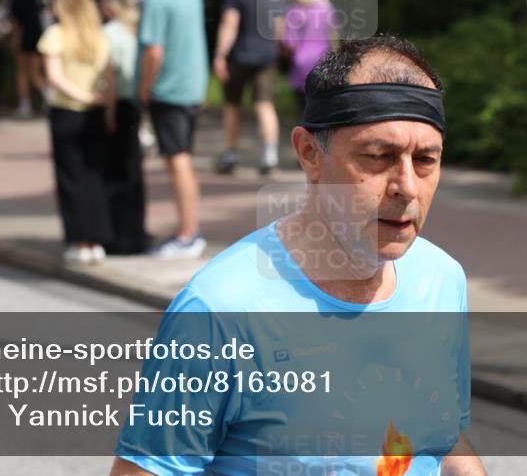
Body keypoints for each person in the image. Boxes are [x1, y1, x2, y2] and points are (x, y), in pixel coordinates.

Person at [110, 37, 486, 476]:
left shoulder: (441, 280)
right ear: (310, 153)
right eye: (378, 157)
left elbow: (442, 440)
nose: (407, 186)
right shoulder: (219, 311)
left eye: (426, 160)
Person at [136, 0, 209, 259]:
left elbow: (153, 49)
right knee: (183, 158)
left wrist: (144, 87)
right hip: (191, 85)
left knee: (176, 159)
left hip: (169, 88)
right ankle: (189, 230)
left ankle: (187, 235)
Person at [38, 0, 115, 265]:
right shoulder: (99, 36)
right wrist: (106, 108)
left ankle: (78, 239)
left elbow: (54, 77)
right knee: (94, 176)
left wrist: (81, 96)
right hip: (95, 113)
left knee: (71, 177)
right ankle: (97, 240)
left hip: (67, 112)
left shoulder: (56, 34)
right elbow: (110, 78)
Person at [212, 0, 283, 175]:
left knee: (233, 105)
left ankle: (231, 154)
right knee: (265, 104)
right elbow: (280, 29)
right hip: (266, 55)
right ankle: (269, 156)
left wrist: (221, 54)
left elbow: (230, 24)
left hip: (240, 55)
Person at [100, 0, 148, 254]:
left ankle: (117, 236)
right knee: (133, 173)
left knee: (114, 172)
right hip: (135, 104)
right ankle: (136, 234)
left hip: (116, 105)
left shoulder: (109, 33)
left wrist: (106, 115)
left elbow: (110, 78)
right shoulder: (137, 31)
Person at [280, 0, 335, 113]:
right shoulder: (325, 5)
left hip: (301, 67)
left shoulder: (294, 11)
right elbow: (334, 34)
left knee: (306, 114)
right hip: (324, 63)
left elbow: (290, 44)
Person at [8, 0, 46, 117]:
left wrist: (14, 42)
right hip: (37, 37)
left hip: (24, 38)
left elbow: (16, 24)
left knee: (22, 73)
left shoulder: (16, 0)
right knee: (36, 73)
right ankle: (48, 95)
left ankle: (25, 104)